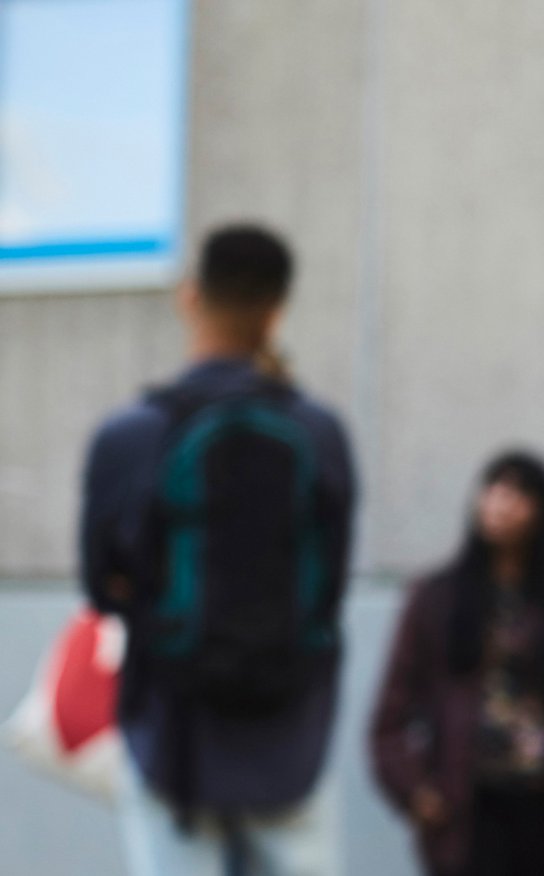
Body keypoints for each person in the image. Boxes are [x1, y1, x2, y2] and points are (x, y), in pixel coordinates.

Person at [78, 223, 358, 876]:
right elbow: (332, 585)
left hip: (171, 736)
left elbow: (99, 587)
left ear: (189, 296)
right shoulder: (319, 433)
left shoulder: (129, 436)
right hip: (290, 734)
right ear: (277, 310)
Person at [368, 451, 544, 876]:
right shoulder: (437, 596)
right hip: (463, 801)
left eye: (519, 493)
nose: (501, 503)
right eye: (493, 488)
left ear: (543, 511)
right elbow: (391, 711)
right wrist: (413, 788)